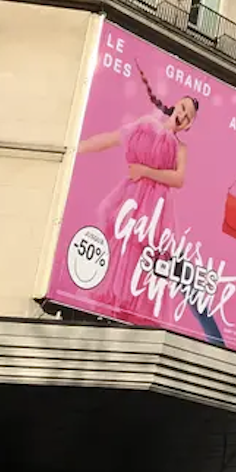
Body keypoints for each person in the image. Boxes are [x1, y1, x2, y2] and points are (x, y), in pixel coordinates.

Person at [75, 71, 200, 323]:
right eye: (183, 108)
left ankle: (132, 315)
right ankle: (110, 312)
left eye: (189, 116)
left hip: (156, 210)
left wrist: (146, 171)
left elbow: (179, 179)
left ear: (188, 125)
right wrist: (76, 147)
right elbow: (112, 138)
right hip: (130, 198)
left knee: (146, 256)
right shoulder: (145, 124)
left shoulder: (181, 148)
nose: (184, 115)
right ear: (175, 105)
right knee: (121, 245)